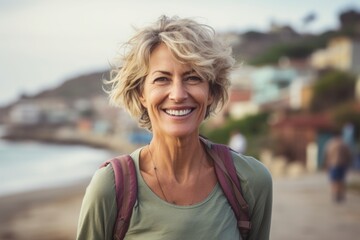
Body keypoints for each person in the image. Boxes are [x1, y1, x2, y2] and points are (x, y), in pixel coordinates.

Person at [77, 15, 272, 240]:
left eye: (193, 78)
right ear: (141, 93)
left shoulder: (250, 181)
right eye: (162, 79)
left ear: (212, 92)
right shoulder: (110, 188)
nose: (178, 94)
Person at [324, 133, 352, 203]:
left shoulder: (330, 144)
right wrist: (348, 162)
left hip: (333, 164)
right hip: (342, 164)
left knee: (334, 180)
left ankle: (335, 194)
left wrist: (326, 164)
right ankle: (341, 194)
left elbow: (326, 154)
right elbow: (348, 154)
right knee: (341, 180)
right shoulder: (344, 144)